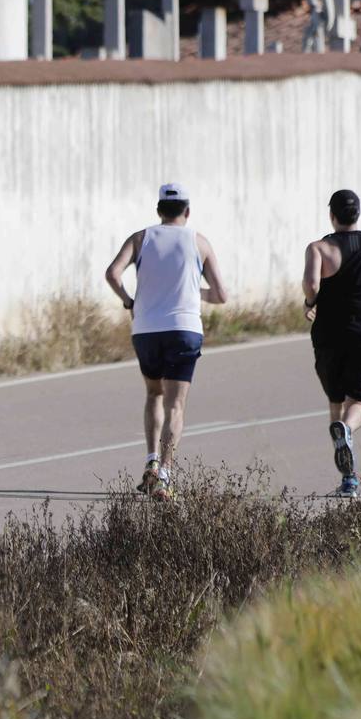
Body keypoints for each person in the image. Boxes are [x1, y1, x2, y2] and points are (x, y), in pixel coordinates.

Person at [105, 184, 227, 501]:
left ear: (159, 211)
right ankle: (166, 477)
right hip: (184, 328)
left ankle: (150, 461)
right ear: (187, 211)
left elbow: (112, 273)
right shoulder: (199, 242)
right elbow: (221, 295)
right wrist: (191, 291)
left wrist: (129, 301)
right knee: (176, 403)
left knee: (153, 393)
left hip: (146, 328)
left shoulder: (141, 238)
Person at [302, 189, 361, 497]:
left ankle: (348, 478)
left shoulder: (319, 249)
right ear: (358, 214)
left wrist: (311, 301)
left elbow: (312, 284)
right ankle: (348, 431)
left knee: (336, 401)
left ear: (332, 215)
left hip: (328, 338)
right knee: (360, 403)